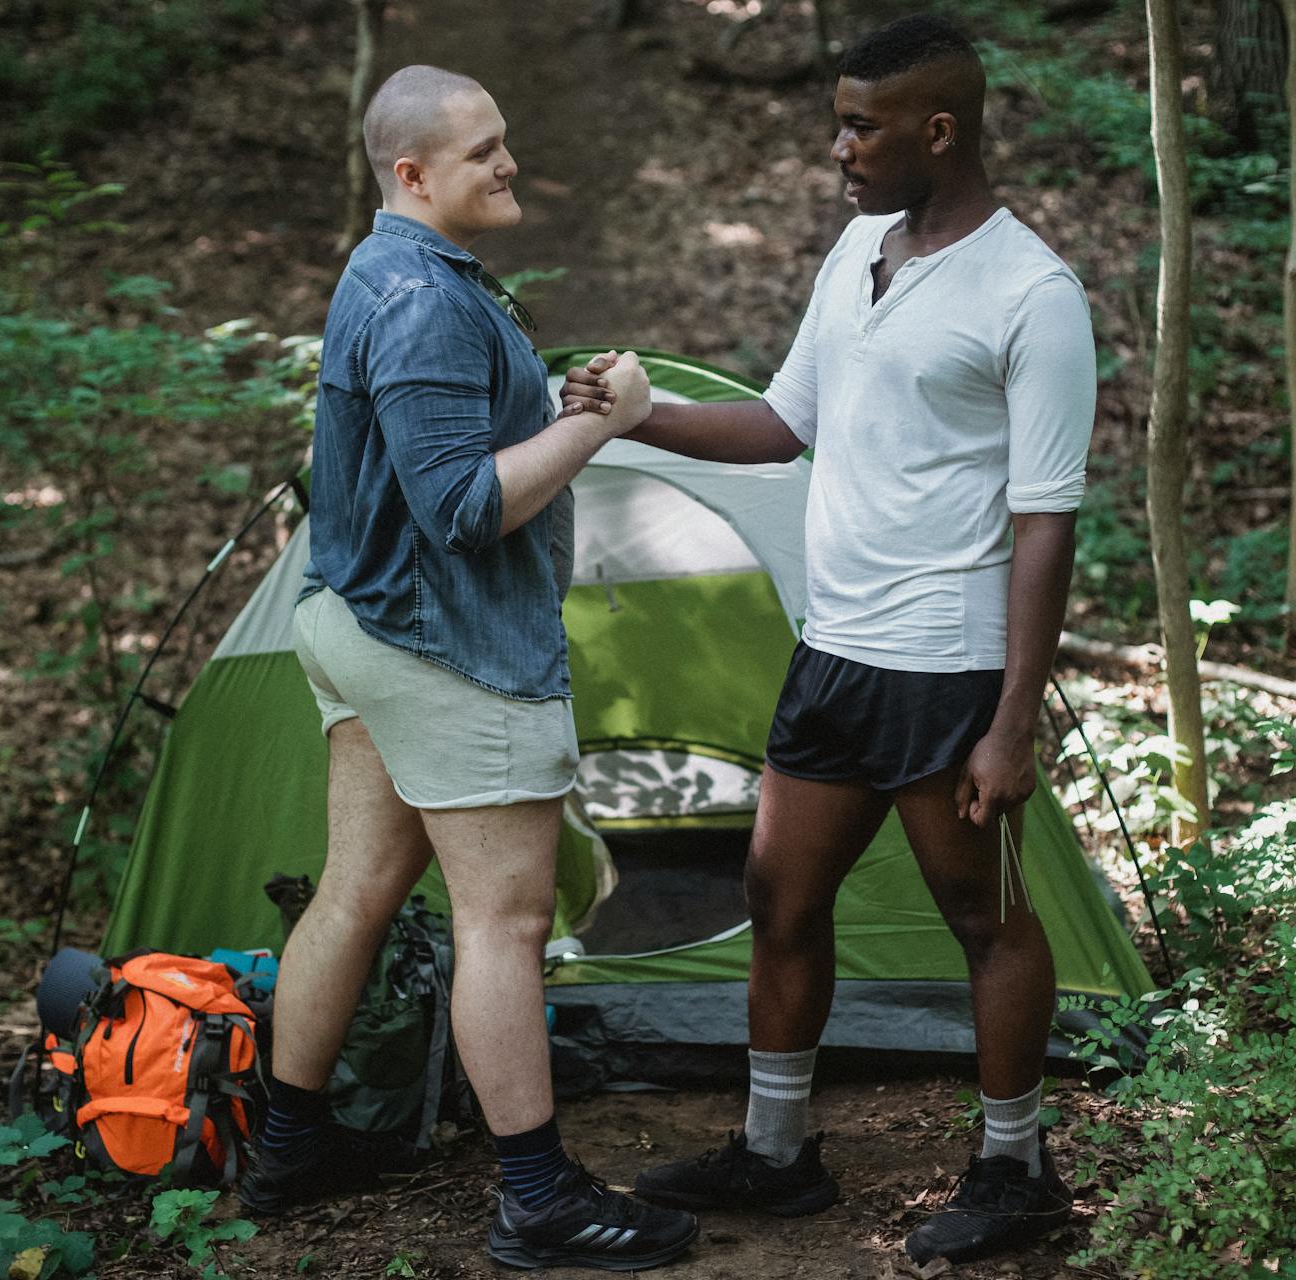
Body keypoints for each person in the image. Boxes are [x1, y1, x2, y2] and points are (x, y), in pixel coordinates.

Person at [560, 13, 1094, 1266]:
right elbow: (781, 426)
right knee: (774, 892)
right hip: (837, 645)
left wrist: (1012, 723)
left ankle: (1017, 1169)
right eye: (839, 120)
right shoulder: (857, 248)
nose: (838, 148)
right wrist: (641, 420)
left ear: (940, 130)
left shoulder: (1032, 292)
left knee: (985, 915)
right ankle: (779, 1149)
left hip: (948, 665)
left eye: (861, 125)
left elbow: (1046, 523)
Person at [241, 64, 699, 1272]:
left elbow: (431, 450)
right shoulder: (428, 300)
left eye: (505, 141)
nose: (508, 163)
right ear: (412, 174)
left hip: (366, 624)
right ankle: (539, 1198)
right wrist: (606, 422)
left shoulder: (388, 269)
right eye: (484, 149)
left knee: (355, 891)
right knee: (503, 920)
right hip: (447, 646)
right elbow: (458, 507)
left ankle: (286, 1145)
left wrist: (553, 402)